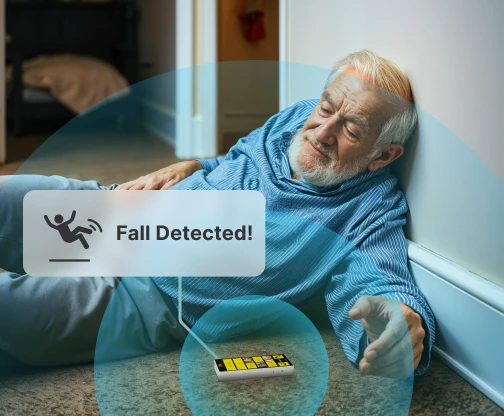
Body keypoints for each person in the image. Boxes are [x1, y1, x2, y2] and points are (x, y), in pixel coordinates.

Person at [0, 50, 434, 378]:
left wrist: (398, 326)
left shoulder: (371, 209)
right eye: (326, 108)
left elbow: (382, 288)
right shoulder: (299, 117)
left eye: (351, 129)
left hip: (144, 296)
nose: (321, 131)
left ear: (383, 155)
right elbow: (236, 158)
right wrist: (193, 166)